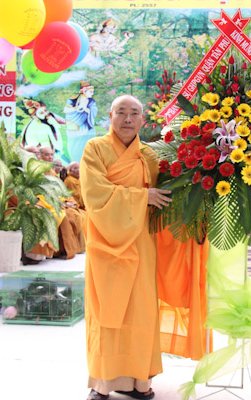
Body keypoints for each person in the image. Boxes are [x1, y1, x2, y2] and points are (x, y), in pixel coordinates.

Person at [80, 95, 171, 400]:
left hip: (142, 241)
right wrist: (142, 196)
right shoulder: (95, 148)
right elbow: (95, 193)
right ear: (110, 116)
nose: (128, 119)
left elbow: (169, 192)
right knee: (107, 312)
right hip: (106, 242)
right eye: (121, 112)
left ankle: (138, 383)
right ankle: (102, 384)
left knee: (141, 313)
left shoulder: (150, 155)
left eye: (134, 113)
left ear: (143, 120)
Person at [64, 81, 98, 163]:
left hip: (86, 128)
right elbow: (66, 110)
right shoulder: (73, 99)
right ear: (84, 91)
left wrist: (86, 109)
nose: (92, 94)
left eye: (93, 92)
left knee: (87, 147)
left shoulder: (91, 101)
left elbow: (93, 111)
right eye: (90, 92)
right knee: (74, 148)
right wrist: (76, 108)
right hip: (74, 128)